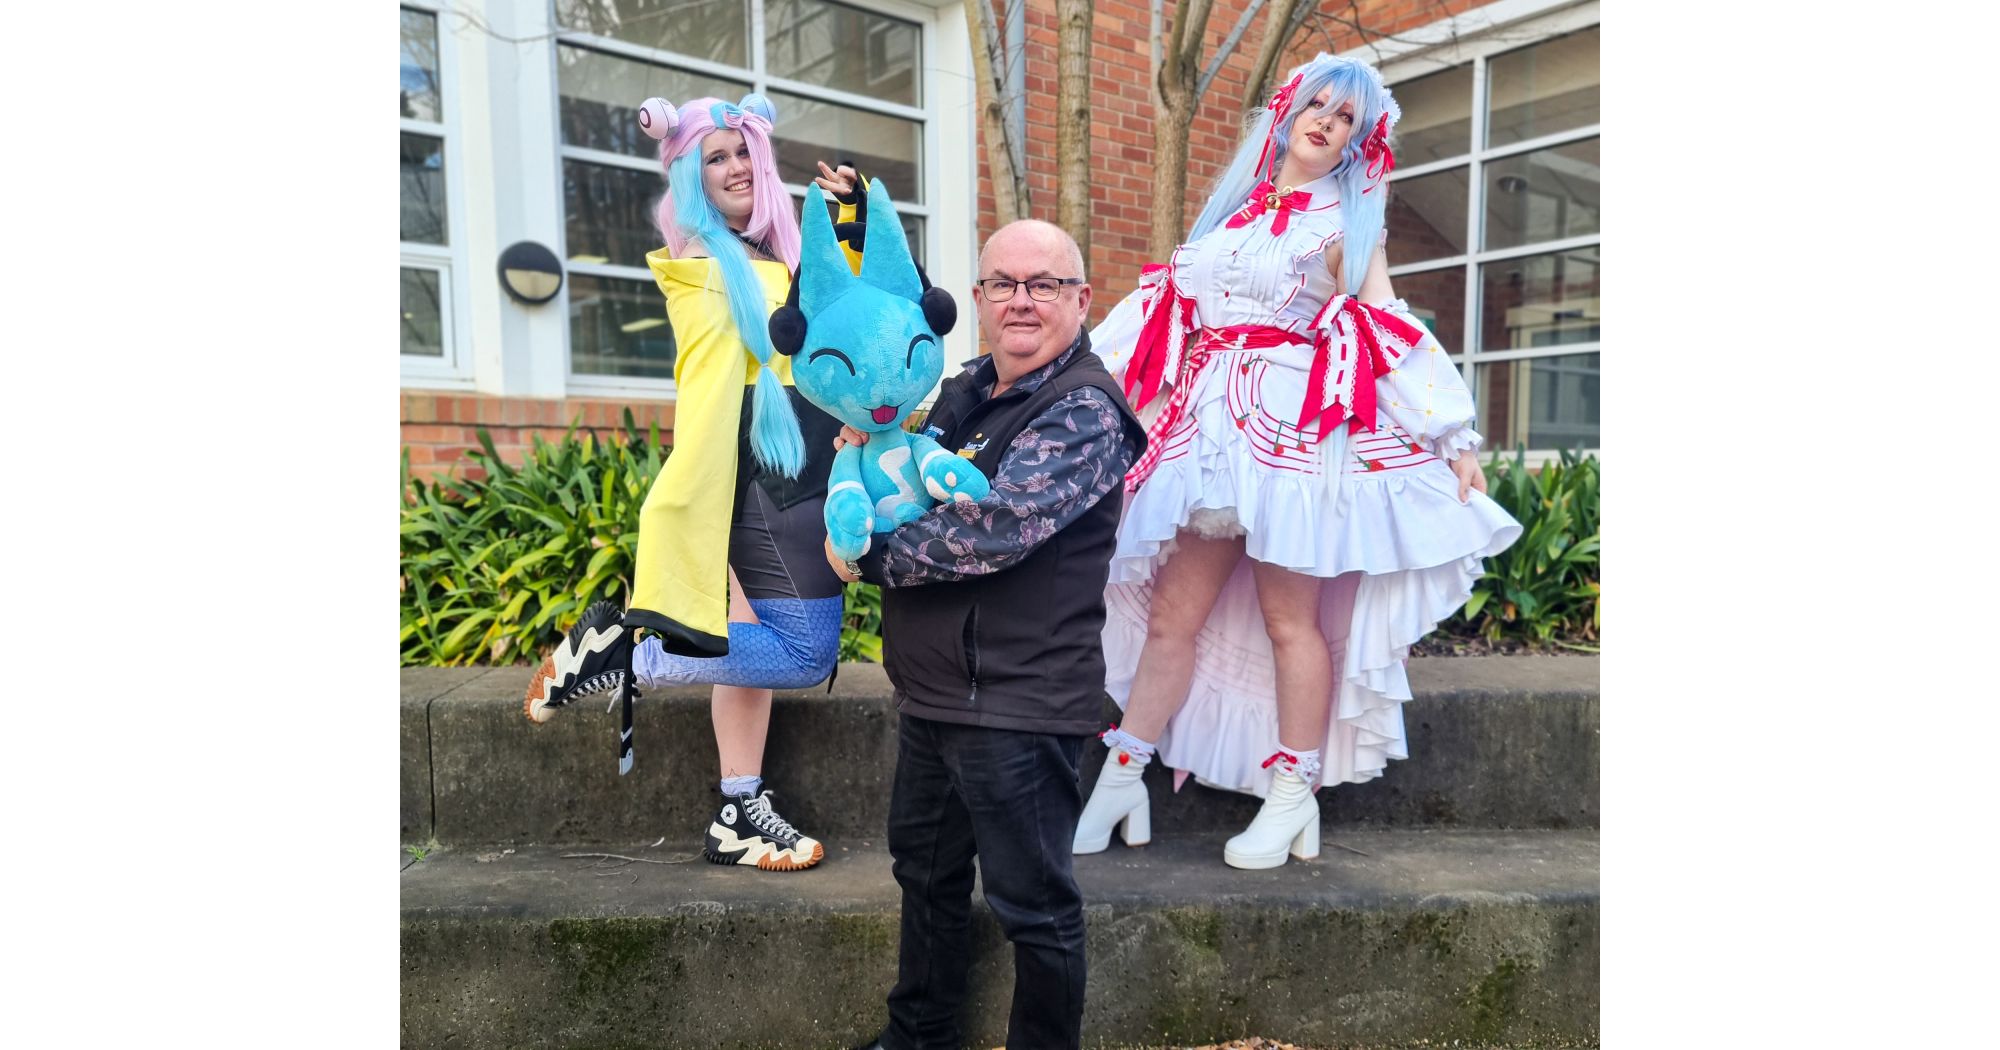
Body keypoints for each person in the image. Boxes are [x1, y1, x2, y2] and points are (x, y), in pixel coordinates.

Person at [1077, 54, 1523, 870]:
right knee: (1176, 615)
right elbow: (1152, 313)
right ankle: (1122, 775)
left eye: (1344, 115)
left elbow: (1386, 324)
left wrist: (1451, 435)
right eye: (1315, 103)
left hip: (1293, 440)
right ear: (1285, 111)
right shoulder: (1231, 216)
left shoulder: (1349, 226)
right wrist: (1069, 387)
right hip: (1206, 440)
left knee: (1293, 621)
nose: (1324, 120)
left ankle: (1292, 798)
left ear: (1358, 137)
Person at [522, 93, 869, 873]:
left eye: (744, 151)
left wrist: (847, 219)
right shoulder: (707, 266)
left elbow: (845, 311)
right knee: (805, 653)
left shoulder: (770, 261)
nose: (737, 167)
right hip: (773, 483)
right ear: (690, 178)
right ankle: (627, 658)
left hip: (796, 472)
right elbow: (811, 332)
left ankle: (739, 811)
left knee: (749, 650)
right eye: (716, 157)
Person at [831, 220, 1147, 1050]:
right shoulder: (969, 386)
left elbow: (996, 527)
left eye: (1043, 284)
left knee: (1033, 909)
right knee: (925, 880)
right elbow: (903, 458)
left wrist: (865, 557)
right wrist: (865, 449)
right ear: (976, 299)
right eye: (1002, 283)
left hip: (1020, 703)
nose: (1021, 300)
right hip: (935, 693)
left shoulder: (1085, 408)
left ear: (1081, 300)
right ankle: (919, 1038)